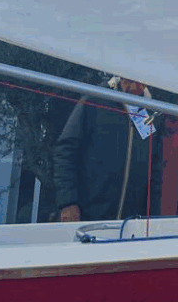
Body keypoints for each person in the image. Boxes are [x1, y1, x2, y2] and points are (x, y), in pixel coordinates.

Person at [52, 77, 162, 224]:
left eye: (137, 81)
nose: (131, 86)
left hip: (130, 223)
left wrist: (152, 217)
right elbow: (66, 151)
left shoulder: (151, 114)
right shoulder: (96, 99)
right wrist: (68, 203)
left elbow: (154, 170)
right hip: (86, 216)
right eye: (127, 80)